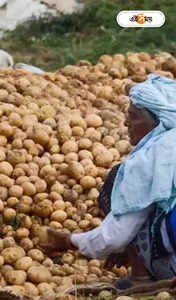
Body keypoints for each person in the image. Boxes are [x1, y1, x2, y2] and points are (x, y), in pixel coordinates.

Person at [41, 74, 176, 289]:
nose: (125, 122)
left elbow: (114, 237)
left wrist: (68, 241)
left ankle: (141, 276)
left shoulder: (151, 158)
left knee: (117, 181)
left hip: (171, 268)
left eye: (133, 116)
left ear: (157, 122)